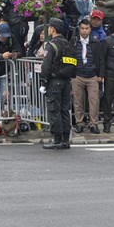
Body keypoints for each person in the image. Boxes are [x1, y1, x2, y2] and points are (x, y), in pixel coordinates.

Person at [40, 18, 77, 150]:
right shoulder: (68, 45)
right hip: (66, 82)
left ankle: (57, 139)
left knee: (54, 110)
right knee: (64, 111)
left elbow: (46, 66)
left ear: (53, 29)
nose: (48, 29)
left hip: (54, 82)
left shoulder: (51, 45)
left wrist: (43, 82)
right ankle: (66, 140)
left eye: (49, 27)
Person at [70, 18, 102, 134]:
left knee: (94, 100)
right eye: (82, 28)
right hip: (77, 75)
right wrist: (71, 74)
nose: (84, 31)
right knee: (78, 101)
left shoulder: (95, 42)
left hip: (92, 75)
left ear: (90, 29)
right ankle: (79, 122)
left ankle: (93, 123)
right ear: (79, 29)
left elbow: (100, 59)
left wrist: (100, 75)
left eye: (86, 28)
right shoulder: (73, 42)